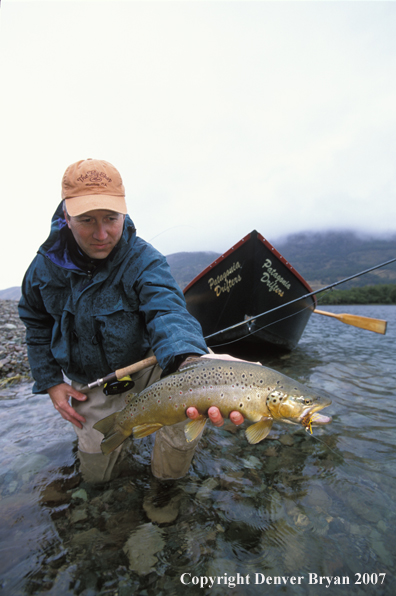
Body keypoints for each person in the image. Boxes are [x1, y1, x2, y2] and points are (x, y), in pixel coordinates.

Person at [19, 158, 244, 483]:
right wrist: (51, 381)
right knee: (97, 476)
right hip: (92, 382)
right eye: (86, 220)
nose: (102, 234)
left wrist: (191, 361)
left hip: (152, 366)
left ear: (124, 212)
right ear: (66, 217)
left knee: (186, 420)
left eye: (111, 218)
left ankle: (166, 491)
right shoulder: (41, 269)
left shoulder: (145, 260)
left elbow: (168, 311)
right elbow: (36, 325)